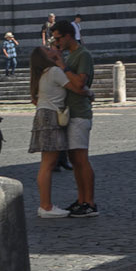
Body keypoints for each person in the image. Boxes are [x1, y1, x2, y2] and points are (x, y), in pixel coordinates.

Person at [51, 18, 96, 216]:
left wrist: (63, 66)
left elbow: (79, 84)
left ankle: (90, 203)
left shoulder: (82, 55)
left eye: (58, 38)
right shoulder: (70, 56)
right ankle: (81, 199)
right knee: (75, 161)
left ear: (68, 35)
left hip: (80, 114)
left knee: (81, 159)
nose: (56, 42)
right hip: (71, 114)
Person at [28, 44, 73, 218]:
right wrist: (62, 63)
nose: (52, 49)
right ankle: (46, 206)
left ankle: (45, 205)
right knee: (48, 164)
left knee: (47, 163)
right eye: (48, 49)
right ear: (44, 57)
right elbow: (74, 86)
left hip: (42, 115)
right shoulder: (54, 72)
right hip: (51, 117)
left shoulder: (40, 75)